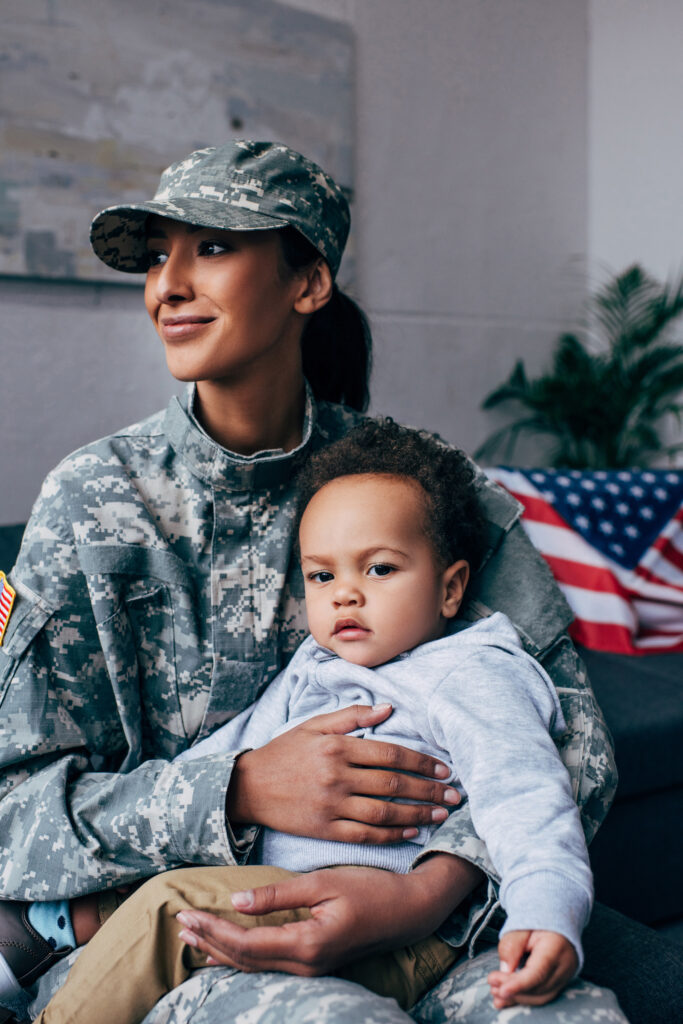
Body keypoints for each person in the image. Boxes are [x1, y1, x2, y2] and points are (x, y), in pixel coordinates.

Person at [0, 140, 628, 1024]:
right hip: (195, 939)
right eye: (154, 257)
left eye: (211, 246)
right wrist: (239, 789)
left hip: (441, 921)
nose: (165, 285)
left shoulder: (424, 487)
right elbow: (12, 815)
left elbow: (575, 750)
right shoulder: (92, 505)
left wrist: (426, 891)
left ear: (309, 282)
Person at [31, 417, 602, 1024]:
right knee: (158, 895)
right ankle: (47, 941)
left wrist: (546, 911)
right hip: (286, 895)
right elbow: (237, 752)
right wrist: (198, 795)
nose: (344, 595)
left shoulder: (469, 673)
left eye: (379, 569)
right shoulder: (317, 664)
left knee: (171, 910)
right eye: (322, 575)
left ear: (451, 588)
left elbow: (526, 793)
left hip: (397, 935)